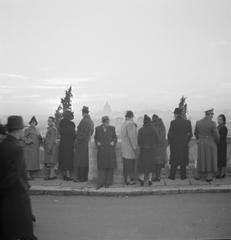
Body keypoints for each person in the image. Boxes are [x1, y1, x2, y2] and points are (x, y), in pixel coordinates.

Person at [0, 116, 38, 240]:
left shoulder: (3, 145)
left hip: (5, 198)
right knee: (25, 232)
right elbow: (16, 175)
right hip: (16, 196)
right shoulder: (16, 149)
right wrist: (25, 189)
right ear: (18, 130)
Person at [194, 109, 220, 182]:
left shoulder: (198, 122)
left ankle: (198, 174)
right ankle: (209, 176)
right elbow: (217, 135)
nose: (212, 116)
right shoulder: (212, 123)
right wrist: (216, 142)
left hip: (201, 142)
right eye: (212, 114)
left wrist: (200, 139)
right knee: (210, 159)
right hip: (210, 142)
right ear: (210, 114)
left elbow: (195, 133)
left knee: (201, 158)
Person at [168, 108, 193, 180]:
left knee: (174, 160)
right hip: (184, 144)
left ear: (175, 114)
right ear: (181, 114)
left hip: (175, 145)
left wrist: (172, 143)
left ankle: (172, 176)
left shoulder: (173, 122)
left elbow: (169, 135)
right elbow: (190, 134)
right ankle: (183, 176)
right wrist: (186, 141)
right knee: (183, 160)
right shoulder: (187, 122)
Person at [94, 116, 117, 189]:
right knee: (101, 168)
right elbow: (96, 138)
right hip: (102, 151)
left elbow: (115, 137)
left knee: (109, 168)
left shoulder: (112, 128)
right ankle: (100, 183)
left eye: (108, 122)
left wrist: (113, 142)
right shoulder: (97, 129)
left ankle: (108, 183)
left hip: (110, 151)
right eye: (106, 122)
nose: (107, 124)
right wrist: (97, 142)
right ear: (103, 122)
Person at [74, 106, 94, 182]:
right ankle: (84, 177)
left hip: (82, 143)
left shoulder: (84, 121)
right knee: (85, 161)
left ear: (83, 112)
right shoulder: (90, 121)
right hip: (87, 142)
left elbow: (81, 134)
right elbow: (91, 132)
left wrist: (77, 136)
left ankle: (81, 178)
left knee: (81, 161)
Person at [137, 115, 158, 186]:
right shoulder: (153, 130)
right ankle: (150, 180)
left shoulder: (140, 130)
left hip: (143, 150)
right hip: (151, 150)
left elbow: (139, 141)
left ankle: (142, 180)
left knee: (143, 166)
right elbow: (157, 140)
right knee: (150, 166)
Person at [121, 110, 138, 185]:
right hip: (130, 148)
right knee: (130, 165)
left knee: (126, 164)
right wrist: (135, 147)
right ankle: (129, 180)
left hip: (124, 148)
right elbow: (133, 137)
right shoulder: (131, 124)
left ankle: (126, 179)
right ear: (132, 116)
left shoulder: (124, 124)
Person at [58, 111, 76, 181]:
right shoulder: (71, 124)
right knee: (68, 159)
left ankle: (64, 175)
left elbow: (61, 133)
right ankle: (68, 176)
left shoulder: (61, 123)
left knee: (63, 159)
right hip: (69, 144)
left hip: (62, 143)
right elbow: (73, 135)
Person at [23, 116, 42, 180]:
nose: (33, 123)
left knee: (33, 162)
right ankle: (28, 175)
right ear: (30, 123)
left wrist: (40, 139)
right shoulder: (27, 129)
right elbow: (24, 137)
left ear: (36, 123)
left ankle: (31, 175)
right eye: (32, 122)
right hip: (29, 148)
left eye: (34, 122)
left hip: (35, 148)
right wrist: (29, 141)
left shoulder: (37, 130)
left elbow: (39, 137)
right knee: (28, 161)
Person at [152, 114, 167, 181]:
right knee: (159, 164)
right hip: (161, 148)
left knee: (154, 163)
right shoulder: (162, 125)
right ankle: (158, 177)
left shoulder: (152, 125)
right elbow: (163, 136)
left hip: (154, 148)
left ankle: (154, 176)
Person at [216, 114, 228, 178]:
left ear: (223, 120)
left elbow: (222, 137)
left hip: (222, 146)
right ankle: (219, 173)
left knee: (222, 159)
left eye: (220, 119)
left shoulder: (224, 127)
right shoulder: (218, 127)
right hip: (218, 145)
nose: (219, 120)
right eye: (218, 119)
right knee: (219, 159)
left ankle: (222, 174)